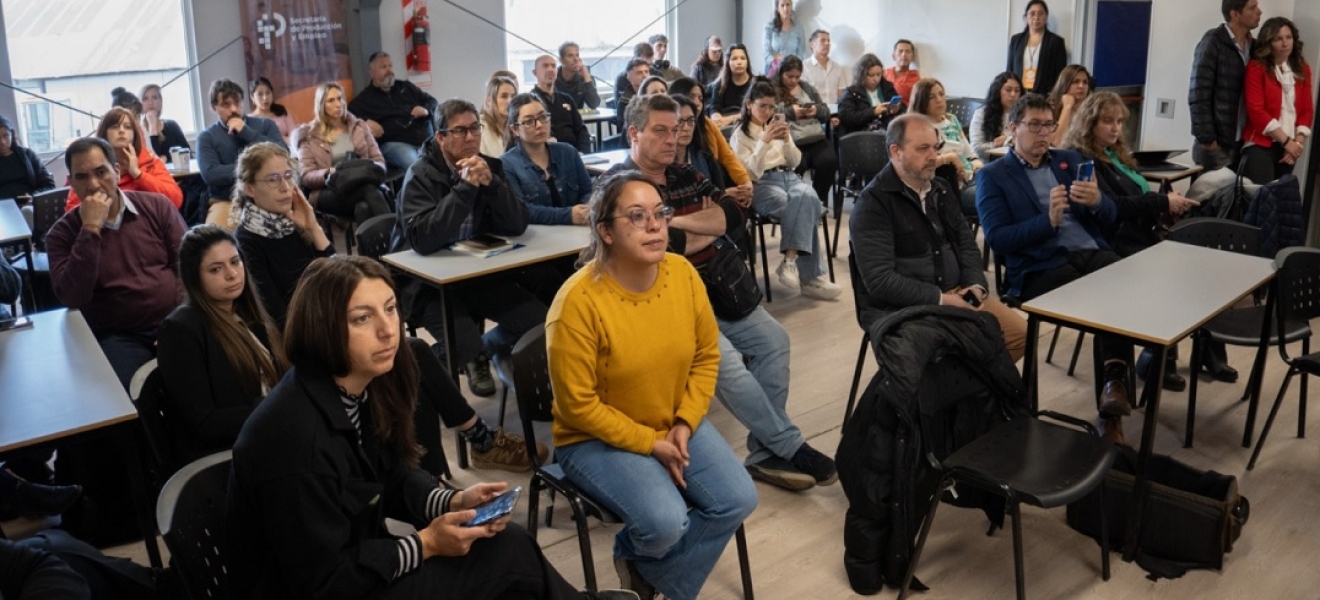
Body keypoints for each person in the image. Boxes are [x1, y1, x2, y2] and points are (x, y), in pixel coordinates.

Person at [228, 255, 635, 600]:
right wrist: (424, 544)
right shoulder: (295, 439)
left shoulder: (352, 386)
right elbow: (324, 581)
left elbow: (388, 477)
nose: (388, 330)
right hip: (327, 586)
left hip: (355, 564)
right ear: (322, 327)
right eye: (362, 318)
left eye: (390, 308)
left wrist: (451, 503)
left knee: (508, 547)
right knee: (510, 557)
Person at [608, 95, 836, 493]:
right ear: (634, 134)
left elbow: (732, 216)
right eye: (659, 130)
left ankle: (764, 453)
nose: (672, 138)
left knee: (775, 341)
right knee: (723, 362)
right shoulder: (619, 187)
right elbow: (661, 246)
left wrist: (673, 223)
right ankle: (789, 445)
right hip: (666, 300)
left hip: (721, 285)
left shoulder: (684, 174)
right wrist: (692, 229)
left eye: (676, 128)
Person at [548, 171, 758, 599]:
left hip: (671, 419)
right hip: (592, 437)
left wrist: (685, 422)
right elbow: (578, 407)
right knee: (665, 522)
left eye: (660, 213)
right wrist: (651, 443)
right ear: (605, 231)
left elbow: (705, 357)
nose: (654, 225)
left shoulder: (681, 273)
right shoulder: (577, 303)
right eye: (637, 216)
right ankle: (646, 562)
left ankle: (644, 571)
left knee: (738, 498)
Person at [975, 93, 1132, 442]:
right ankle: (1113, 402)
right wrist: (1046, 222)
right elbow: (999, 239)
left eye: (1048, 125)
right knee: (1106, 303)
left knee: (1123, 283)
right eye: (1035, 125)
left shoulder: (1069, 160)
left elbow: (1109, 218)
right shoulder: (994, 176)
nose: (1044, 133)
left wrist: (1097, 202)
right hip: (1039, 267)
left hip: (1089, 251)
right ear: (1013, 128)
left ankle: (1114, 386)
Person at [389, 99, 547, 398]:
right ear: (441, 137)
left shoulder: (490, 166)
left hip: (478, 273)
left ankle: (486, 350)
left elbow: (518, 224)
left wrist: (493, 186)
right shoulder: (421, 175)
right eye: (460, 131)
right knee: (462, 344)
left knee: (538, 319)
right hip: (427, 284)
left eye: (475, 128)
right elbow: (422, 238)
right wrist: (465, 189)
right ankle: (412, 376)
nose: (471, 137)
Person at [851, 113, 1027, 364]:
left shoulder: (940, 189)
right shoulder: (873, 203)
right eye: (923, 149)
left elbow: (966, 244)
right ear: (896, 151)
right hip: (905, 307)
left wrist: (975, 286)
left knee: (1020, 336)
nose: (933, 156)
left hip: (956, 293)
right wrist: (943, 299)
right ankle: (958, 394)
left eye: (935, 147)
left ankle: (966, 395)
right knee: (958, 351)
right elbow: (880, 281)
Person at [1060, 92, 1202, 392]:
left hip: (1141, 231)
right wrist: (1162, 201)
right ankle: (1158, 355)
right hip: (1116, 239)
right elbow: (1115, 208)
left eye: (1120, 122)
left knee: (1193, 263)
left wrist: (1162, 206)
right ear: (1089, 123)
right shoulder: (1084, 160)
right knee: (1173, 274)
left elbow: (1135, 198)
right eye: (1108, 121)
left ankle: (1188, 352)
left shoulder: (1115, 155)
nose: (1116, 129)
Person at [46, 137, 186, 386]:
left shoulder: (157, 207)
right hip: (119, 336)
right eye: (81, 177)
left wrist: (179, 322)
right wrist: (90, 229)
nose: (94, 184)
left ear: (117, 171)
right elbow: (72, 296)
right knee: (133, 397)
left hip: (175, 320)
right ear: (71, 183)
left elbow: (188, 269)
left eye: (101, 172)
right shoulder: (61, 234)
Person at [158, 224, 290, 465]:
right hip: (228, 454)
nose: (232, 274)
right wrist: (274, 409)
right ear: (194, 277)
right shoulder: (180, 330)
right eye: (216, 269)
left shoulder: (245, 310)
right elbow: (204, 423)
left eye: (235, 262)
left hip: (265, 431)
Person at [729, 82, 842, 301]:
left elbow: (797, 162)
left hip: (789, 176)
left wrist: (788, 141)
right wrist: (764, 141)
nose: (768, 112)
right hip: (762, 183)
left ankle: (790, 261)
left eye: (772, 107)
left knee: (807, 197)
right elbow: (749, 173)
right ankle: (811, 278)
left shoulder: (777, 126)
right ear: (749, 105)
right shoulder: (739, 135)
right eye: (762, 106)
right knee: (808, 203)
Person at [228, 142, 336, 325]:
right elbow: (276, 316)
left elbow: (337, 280)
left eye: (288, 176)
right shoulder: (246, 242)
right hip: (297, 335)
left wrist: (313, 228)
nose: (285, 187)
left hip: (322, 320)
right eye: (272, 179)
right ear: (249, 188)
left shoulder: (295, 223)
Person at [294, 82, 392, 224]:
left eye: (340, 98)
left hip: (361, 181)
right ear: (321, 105)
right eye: (331, 100)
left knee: (363, 207)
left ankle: (373, 245)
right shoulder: (308, 135)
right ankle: (395, 238)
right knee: (369, 191)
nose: (338, 104)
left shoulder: (359, 126)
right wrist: (329, 172)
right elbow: (307, 176)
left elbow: (378, 160)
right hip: (328, 191)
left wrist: (369, 169)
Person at [196, 78, 287, 230]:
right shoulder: (206, 137)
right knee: (218, 239)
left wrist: (246, 131)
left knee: (298, 230)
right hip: (227, 200)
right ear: (214, 107)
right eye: (226, 104)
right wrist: (256, 168)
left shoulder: (265, 125)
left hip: (268, 195)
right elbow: (211, 174)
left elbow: (283, 155)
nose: (233, 109)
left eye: (237, 102)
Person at [1189, 0, 1262, 170]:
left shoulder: (1255, 47)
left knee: (1236, 195)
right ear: (1234, 14)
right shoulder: (1213, 41)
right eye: (1252, 8)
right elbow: (1198, 93)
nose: (1259, 12)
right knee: (1209, 195)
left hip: (1243, 141)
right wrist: (1207, 139)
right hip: (1217, 143)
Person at [65, 107, 183, 212]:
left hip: (151, 227)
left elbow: (175, 201)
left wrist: (138, 175)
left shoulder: (150, 162)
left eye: (127, 127)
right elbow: (72, 213)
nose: (121, 131)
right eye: (115, 126)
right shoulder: (89, 165)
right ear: (104, 134)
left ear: (134, 135)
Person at [1241, 16, 1313, 184]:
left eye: (1288, 37)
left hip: (1289, 148)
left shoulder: (1302, 69)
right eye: (1278, 39)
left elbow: (1307, 110)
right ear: (1268, 42)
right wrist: (1287, 142)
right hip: (1260, 145)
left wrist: (1297, 144)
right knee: (1261, 199)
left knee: (1280, 201)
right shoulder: (1256, 68)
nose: (1285, 43)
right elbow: (1256, 111)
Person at [501, 93, 593, 225]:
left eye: (543, 117)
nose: (539, 125)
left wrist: (586, 209)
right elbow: (522, 210)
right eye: (529, 121)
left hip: (577, 230)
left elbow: (588, 191)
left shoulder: (568, 152)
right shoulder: (507, 164)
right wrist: (567, 215)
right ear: (515, 129)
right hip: (537, 236)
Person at [349, 51, 440, 171]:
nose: (389, 70)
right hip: (395, 144)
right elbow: (346, 116)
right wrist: (364, 122)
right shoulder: (365, 99)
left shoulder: (405, 87)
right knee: (418, 167)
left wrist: (426, 110)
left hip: (424, 139)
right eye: (383, 67)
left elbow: (432, 101)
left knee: (448, 159)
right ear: (371, 73)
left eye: (390, 66)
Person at [667, 78, 755, 202]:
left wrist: (746, 183)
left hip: (713, 183)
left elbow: (728, 157)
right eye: (692, 97)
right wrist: (723, 194)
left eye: (701, 99)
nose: (697, 103)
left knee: (737, 208)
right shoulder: (668, 140)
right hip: (691, 196)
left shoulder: (707, 125)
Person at [771, 55, 838, 208]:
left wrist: (815, 111)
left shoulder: (807, 88)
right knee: (797, 165)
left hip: (814, 138)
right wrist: (790, 113)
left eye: (797, 77)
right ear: (781, 73)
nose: (794, 81)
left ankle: (815, 202)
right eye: (790, 77)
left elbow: (826, 112)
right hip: (790, 140)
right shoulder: (771, 90)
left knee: (829, 162)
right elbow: (768, 115)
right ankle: (796, 204)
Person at [909, 78, 983, 214]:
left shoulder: (951, 120)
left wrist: (978, 166)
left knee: (1007, 185)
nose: (939, 100)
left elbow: (969, 154)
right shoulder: (918, 128)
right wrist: (949, 157)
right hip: (950, 188)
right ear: (921, 101)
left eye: (941, 94)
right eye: (932, 97)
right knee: (997, 198)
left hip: (971, 176)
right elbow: (917, 166)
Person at [529, 54, 593, 153]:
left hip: (576, 154)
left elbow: (581, 129)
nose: (550, 69)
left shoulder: (566, 99)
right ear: (535, 72)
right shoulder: (530, 102)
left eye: (553, 66)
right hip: (550, 154)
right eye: (545, 66)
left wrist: (583, 153)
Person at [1007, 0, 1068, 94]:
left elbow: (1061, 75)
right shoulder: (1016, 40)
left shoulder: (1056, 42)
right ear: (1026, 17)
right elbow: (1009, 69)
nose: (1036, 17)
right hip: (1018, 94)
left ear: (1046, 17)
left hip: (1044, 95)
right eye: (1032, 13)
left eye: (1041, 13)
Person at [837, 53, 902, 136]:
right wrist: (873, 112)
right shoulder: (851, 92)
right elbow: (846, 118)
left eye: (878, 74)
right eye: (871, 75)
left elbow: (903, 112)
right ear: (861, 75)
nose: (876, 79)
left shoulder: (887, 87)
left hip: (887, 130)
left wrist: (896, 110)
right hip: (861, 134)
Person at [0, 113, 56, 201]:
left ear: (12, 135)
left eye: (5, 136)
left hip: (29, 205)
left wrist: (33, 197)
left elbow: (49, 185)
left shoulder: (28, 155)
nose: (2, 142)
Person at [969, 71, 1024, 160]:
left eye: (1017, 91)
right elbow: (977, 149)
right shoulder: (982, 113)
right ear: (997, 91)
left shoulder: (1024, 114)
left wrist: (1007, 139)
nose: (1013, 94)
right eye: (1008, 90)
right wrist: (998, 144)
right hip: (990, 164)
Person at [671, 94, 724, 187]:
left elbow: (721, 196)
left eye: (691, 120)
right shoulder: (660, 166)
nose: (686, 128)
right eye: (679, 121)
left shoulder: (708, 160)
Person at [137, 85, 191, 163]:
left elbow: (187, 152)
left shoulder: (172, 125)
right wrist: (152, 128)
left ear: (160, 101)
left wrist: (166, 157)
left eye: (154, 98)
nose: (150, 102)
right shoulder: (139, 130)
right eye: (145, 99)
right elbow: (153, 158)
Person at [706, 45, 754, 126]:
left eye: (743, 58)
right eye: (734, 59)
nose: (739, 62)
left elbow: (755, 111)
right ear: (727, 62)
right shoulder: (719, 84)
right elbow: (714, 107)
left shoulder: (755, 84)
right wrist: (717, 120)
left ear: (747, 62)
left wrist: (730, 119)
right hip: (723, 125)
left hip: (746, 124)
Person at [1047, 64, 1093, 146]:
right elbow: (1056, 142)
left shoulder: (1092, 111)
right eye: (1076, 82)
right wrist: (1067, 107)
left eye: (1085, 82)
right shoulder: (1049, 109)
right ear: (1064, 84)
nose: (1081, 86)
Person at [802, 29, 850, 105]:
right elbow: (802, 94)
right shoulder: (804, 66)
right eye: (823, 40)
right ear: (812, 44)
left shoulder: (837, 68)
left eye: (828, 41)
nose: (827, 43)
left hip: (835, 112)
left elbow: (841, 94)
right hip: (814, 112)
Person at [248, 76, 297, 144]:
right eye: (260, 94)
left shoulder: (282, 111)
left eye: (268, 93)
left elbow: (295, 137)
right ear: (252, 97)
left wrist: (277, 139)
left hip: (288, 150)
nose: (265, 98)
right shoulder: (250, 119)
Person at [555, 41, 601, 110]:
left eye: (577, 55)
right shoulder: (553, 77)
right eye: (570, 56)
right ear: (561, 60)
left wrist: (587, 78)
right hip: (557, 119)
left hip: (577, 119)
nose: (576, 59)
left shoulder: (585, 76)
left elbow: (594, 104)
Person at [480, 75, 518, 158]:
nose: (510, 101)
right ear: (489, 101)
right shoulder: (480, 127)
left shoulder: (516, 126)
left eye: (513, 96)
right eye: (504, 96)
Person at [764, 0, 806, 73]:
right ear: (777, 8)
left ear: (791, 6)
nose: (785, 9)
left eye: (788, 5)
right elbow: (766, 53)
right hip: (773, 70)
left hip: (792, 70)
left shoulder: (798, 28)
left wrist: (791, 65)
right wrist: (775, 61)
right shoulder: (769, 27)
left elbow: (801, 54)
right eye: (782, 5)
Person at [614, 58, 653, 132]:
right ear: (629, 78)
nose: (644, 76)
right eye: (639, 73)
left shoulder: (657, 96)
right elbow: (626, 131)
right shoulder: (624, 102)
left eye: (646, 72)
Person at [884, 40, 921, 104]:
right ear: (893, 56)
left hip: (903, 113)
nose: (904, 54)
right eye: (900, 51)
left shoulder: (916, 80)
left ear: (913, 57)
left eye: (908, 51)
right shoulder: (883, 74)